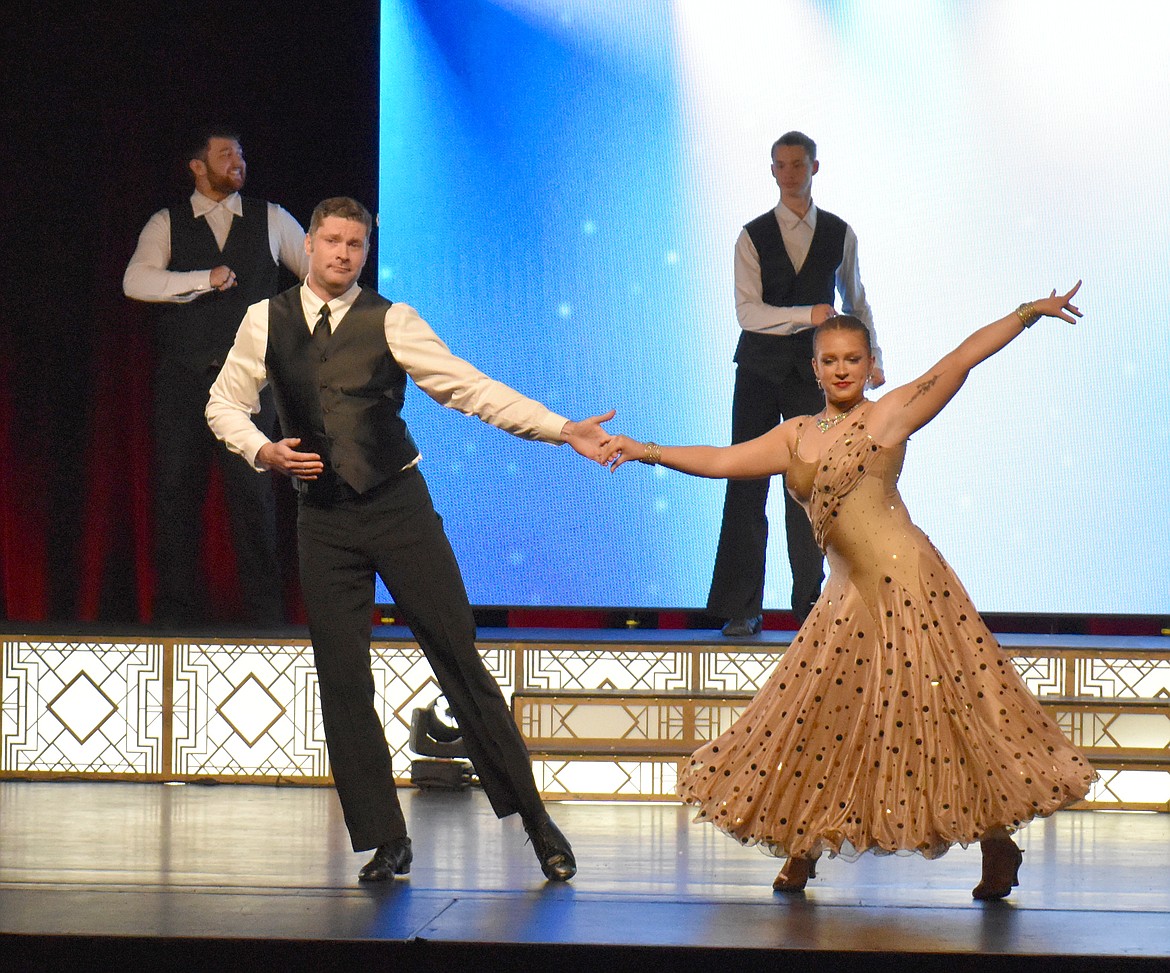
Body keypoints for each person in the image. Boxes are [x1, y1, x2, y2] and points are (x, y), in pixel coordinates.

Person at [601, 283, 1094, 899]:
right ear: (814, 368)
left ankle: (997, 845)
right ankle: (802, 847)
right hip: (848, 597)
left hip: (911, 586)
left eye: (852, 360)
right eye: (829, 360)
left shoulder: (888, 415)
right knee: (818, 719)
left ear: (869, 364)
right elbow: (724, 461)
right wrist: (643, 449)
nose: (840, 370)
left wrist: (1026, 314)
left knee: (945, 720)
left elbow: (960, 358)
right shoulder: (796, 435)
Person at [207, 196, 612, 884]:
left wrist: (559, 426)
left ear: (366, 251)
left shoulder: (392, 319)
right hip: (323, 520)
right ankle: (384, 838)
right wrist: (262, 451)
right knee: (342, 678)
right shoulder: (264, 321)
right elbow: (223, 402)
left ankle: (538, 822)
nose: (342, 254)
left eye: (355, 244)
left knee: (459, 658)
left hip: (398, 509)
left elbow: (469, 388)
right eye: (331, 241)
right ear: (308, 245)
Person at [124, 128, 309, 628]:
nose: (238, 161)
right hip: (183, 383)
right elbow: (135, 280)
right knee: (176, 499)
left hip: (250, 388)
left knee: (254, 505)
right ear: (197, 166)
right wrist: (201, 279)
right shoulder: (168, 222)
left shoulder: (270, 218)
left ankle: (266, 626)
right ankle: (174, 627)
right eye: (225, 154)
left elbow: (316, 273)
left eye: (241, 153)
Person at [708, 131, 883, 637]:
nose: (790, 173)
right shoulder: (751, 235)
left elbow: (857, 298)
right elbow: (748, 313)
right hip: (760, 370)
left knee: (812, 483)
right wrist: (807, 314)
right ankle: (742, 606)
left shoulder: (839, 232)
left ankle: (813, 605)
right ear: (772, 171)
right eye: (781, 165)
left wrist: (874, 358)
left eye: (798, 164)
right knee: (746, 479)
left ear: (814, 168)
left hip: (815, 373)